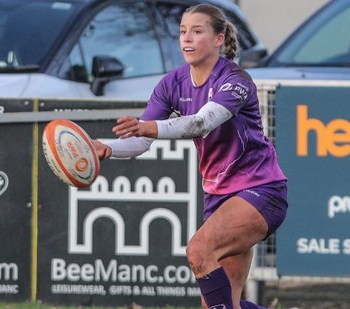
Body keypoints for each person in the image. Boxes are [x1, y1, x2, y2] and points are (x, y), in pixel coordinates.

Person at [93, 3, 287, 309]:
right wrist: (104, 147)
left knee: (199, 251)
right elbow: (140, 143)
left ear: (219, 39)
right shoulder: (172, 83)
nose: (187, 38)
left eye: (197, 31)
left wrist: (147, 127)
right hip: (219, 199)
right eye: (183, 31)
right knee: (223, 304)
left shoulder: (235, 80)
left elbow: (201, 123)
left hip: (261, 191)